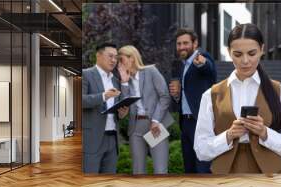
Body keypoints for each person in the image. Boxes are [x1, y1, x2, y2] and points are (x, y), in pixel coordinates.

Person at [194, 23, 281, 174]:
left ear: (262, 49)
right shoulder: (211, 95)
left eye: (252, 53)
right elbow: (201, 150)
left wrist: (264, 133)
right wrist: (229, 135)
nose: (245, 61)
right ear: (229, 52)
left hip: (270, 176)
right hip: (225, 175)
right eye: (237, 54)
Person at [118, 45, 174, 175]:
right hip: (135, 127)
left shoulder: (151, 71)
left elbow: (165, 96)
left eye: (121, 60)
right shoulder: (123, 81)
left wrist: (155, 120)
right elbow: (124, 105)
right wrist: (125, 83)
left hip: (155, 124)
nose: (118, 64)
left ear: (131, 58)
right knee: (138, 171)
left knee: (160, 170)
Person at [169, 28, 217, 174]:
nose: (182, 47)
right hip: (186, 122)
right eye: (179, 44)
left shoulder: (201, 57)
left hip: (200, 122)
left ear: (195, 43)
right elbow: (187, 94)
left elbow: (209, 70)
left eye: (185, 43)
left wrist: (202, 63)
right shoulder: (182, 65)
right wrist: (176, 94)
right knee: (189, 168)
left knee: (203, 167)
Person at [82, 43, 129, 174]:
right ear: (98, 55)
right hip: (93, 138)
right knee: (90, 181)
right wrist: (104, 96)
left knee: (108, 182)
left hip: (112, 138)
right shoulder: (86, 75)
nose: (113, 60)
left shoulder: (115, 80)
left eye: (116, 57)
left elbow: (120, 104)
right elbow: (80, 100)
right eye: (110, 56)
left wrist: (122, 113)